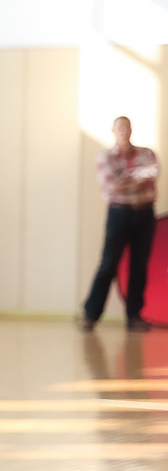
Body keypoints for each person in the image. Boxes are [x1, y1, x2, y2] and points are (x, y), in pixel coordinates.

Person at [80, 115, 158, 332]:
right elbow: (111, 185)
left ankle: (134, 316)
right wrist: (136, 182)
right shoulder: (105, 157)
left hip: (145, 213)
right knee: (108, 264)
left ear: (131, 130)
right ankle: (90, 315)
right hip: (119, 213)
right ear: (113, 131)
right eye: (120, 128)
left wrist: (126, 181)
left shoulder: (147, 154)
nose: (124, 131)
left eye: (127, 127)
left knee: (139, 265)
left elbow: (151, 175)